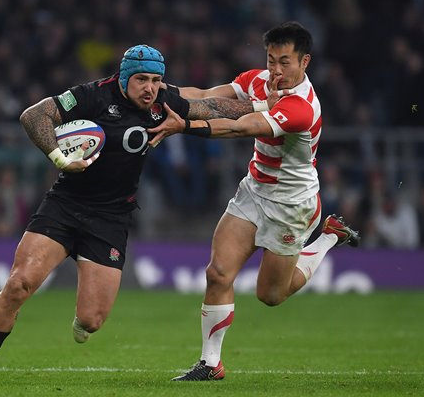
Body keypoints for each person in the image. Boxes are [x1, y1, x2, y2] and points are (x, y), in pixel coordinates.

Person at [0, 44, 261, 384]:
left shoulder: (162, 103)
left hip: (111, 218)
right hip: (65, 205)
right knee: (19, 284)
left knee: (92, 320)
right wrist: (59, 158)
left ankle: (81, 322)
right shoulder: (91, 96)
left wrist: (266, 105)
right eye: (142, 79)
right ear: (125, 77)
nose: (150, 88)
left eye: (156, 80)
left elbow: (212, 106)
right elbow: (34, 115)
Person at [148, 22, 361, 381]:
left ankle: (328, 237)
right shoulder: (258, 79)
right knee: (217, 273)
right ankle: (210, 364)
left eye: (285, 62)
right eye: (271, 59)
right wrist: (156, 92)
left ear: (305, 61)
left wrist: (182, 126)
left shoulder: (302, 107)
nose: (276, 70)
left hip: (291, 206)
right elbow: (204, 94)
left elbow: (240, 126)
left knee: (271, 295)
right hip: (254, 191)